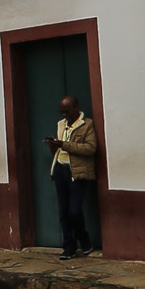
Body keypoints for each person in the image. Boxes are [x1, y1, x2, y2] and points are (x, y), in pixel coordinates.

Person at [44, 93, 99, 259]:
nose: (64, 115)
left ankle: (83, 238)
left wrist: (64, 144)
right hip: (60, 169)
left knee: (74, 211)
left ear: (76, 108)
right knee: (63, 212)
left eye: (67, 111)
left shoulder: (87, 125)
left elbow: (90, 148)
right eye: (62, 111)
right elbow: (59, 150)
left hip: (77, 171)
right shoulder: (61, 124)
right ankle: (69, 247)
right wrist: (53, 145)